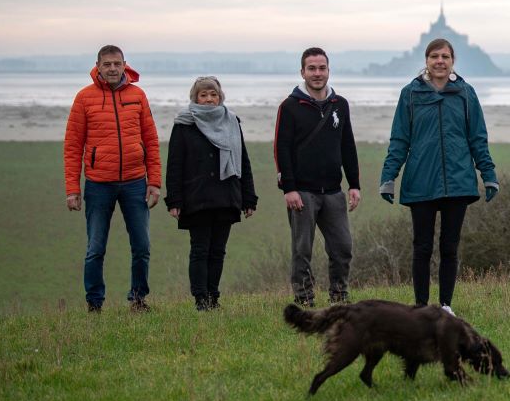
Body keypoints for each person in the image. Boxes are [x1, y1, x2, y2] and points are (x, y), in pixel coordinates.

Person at [379, 38, 499, 315]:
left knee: (449, 247)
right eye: (434, 56)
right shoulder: (410, 94)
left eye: (445, 56)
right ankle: (420, 308)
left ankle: (446, 306)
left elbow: (478, 139)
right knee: (422, 247)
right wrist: (388, 177)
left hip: (458, 181)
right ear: (426, 61)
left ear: (453, 61)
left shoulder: (466, 93)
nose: (440, 61)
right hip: (421, 180)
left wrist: (489, 174)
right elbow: (399, 139)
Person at [63, 44, 161, 313]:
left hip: (135, 182)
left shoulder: (138, 95)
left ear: (124, 64)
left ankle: (138, 300)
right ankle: (94, 303)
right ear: (98, 66)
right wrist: (72, 189)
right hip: (98, 184)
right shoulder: (84, 98)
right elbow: (73, 146)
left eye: (117, 64)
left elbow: (151, 140)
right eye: (107, 64)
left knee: (142, 246)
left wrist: (154, 182)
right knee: (95, 248)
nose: (112, 69)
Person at [274, 47, 360, 307]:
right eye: (311, 68)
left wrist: (354, 184)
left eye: (322, 68)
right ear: (302, 72)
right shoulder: (289, 106)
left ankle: (339, 297)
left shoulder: (340, 104)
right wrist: (289, 188)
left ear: (328, 71)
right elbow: (281, 148)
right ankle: (304, 299)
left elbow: (348, 145)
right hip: (302, 193)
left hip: (333, 191)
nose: (317, 73)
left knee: (342, 248)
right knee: (302, 250)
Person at [165, 77, 257, 310]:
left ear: (220, 97)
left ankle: (213, 297)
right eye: (203, 95)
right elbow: (174, 164)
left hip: (226, 196)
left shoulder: (232, 121)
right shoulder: (184, 123)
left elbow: (243, 161)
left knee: (218, 251)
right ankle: (201, 299)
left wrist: (249, 198)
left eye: (213, 95)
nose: (208, 99)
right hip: (196, 198)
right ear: (195, 98)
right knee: (200, 250)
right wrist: (174, 200)